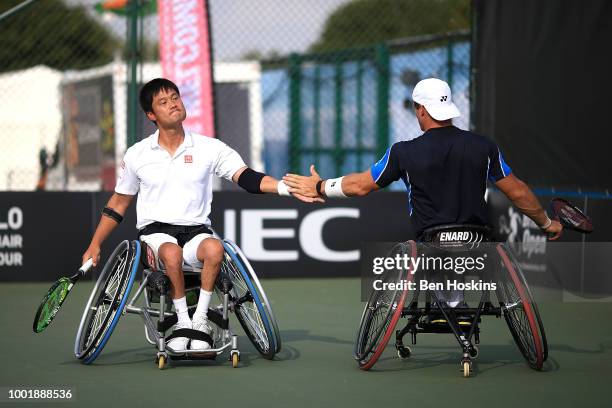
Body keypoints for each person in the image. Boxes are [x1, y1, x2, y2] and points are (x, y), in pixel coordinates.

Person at [283, 77, 563, 312]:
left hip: (432, 243)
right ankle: (455, 305)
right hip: (477, 241)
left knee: (434, 254)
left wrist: (320, 186)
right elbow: (518, 192)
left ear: (421, 110)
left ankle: (449, 302)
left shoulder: (403, 152)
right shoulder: (483, 146)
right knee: (458, 264)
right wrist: (546, 224)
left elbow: (360, 187)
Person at [82, 78, 315, 353]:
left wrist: (286, 188)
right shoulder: (137, 154)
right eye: (163, 102)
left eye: (175, 97)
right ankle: (182, 321)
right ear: (151, 115)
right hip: (154, 235)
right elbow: (119, 203)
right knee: (171, 254)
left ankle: (200, 321)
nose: (173, 104)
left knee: (216, 248)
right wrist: (95, 243)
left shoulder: (210, 147)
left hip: (195, 231)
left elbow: (248, 178)